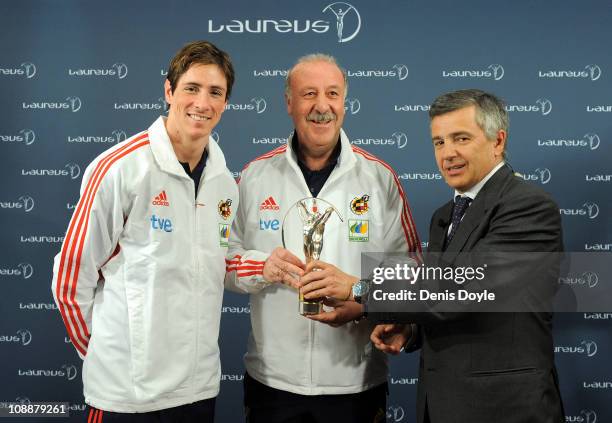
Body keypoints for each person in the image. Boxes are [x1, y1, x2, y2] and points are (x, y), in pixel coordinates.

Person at [305, 89, 565, 423]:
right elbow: (443, 301)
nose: (448, 153)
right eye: (439, 142)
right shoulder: (445, 215)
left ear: (497, 141)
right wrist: (412, 332)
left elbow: (470, 289)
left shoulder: (528, 206)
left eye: (461, 138)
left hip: (505, 408)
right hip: (443, 405)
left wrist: (360, 290)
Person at [224, 53, 420, 423]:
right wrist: (263, 266)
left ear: (345, 101)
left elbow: (410, 273)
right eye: (308, 94)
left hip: (356, 384)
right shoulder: (254, 176)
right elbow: (221, 259)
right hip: (271, 384)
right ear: (289, 103)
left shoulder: (380, 179)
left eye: (332, 93)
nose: (321, 106)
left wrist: (361, 301)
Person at [51, 40, 238, 422]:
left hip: (197, 391)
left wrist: (268, 267)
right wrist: (106, 356)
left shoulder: (224, 182)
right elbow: (70, 279)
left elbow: (218, 262)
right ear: (169, 91)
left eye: (215, 92)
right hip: (128, 397)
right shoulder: (121, 168)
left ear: (225, 103)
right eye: (191, 88)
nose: (202, 103)